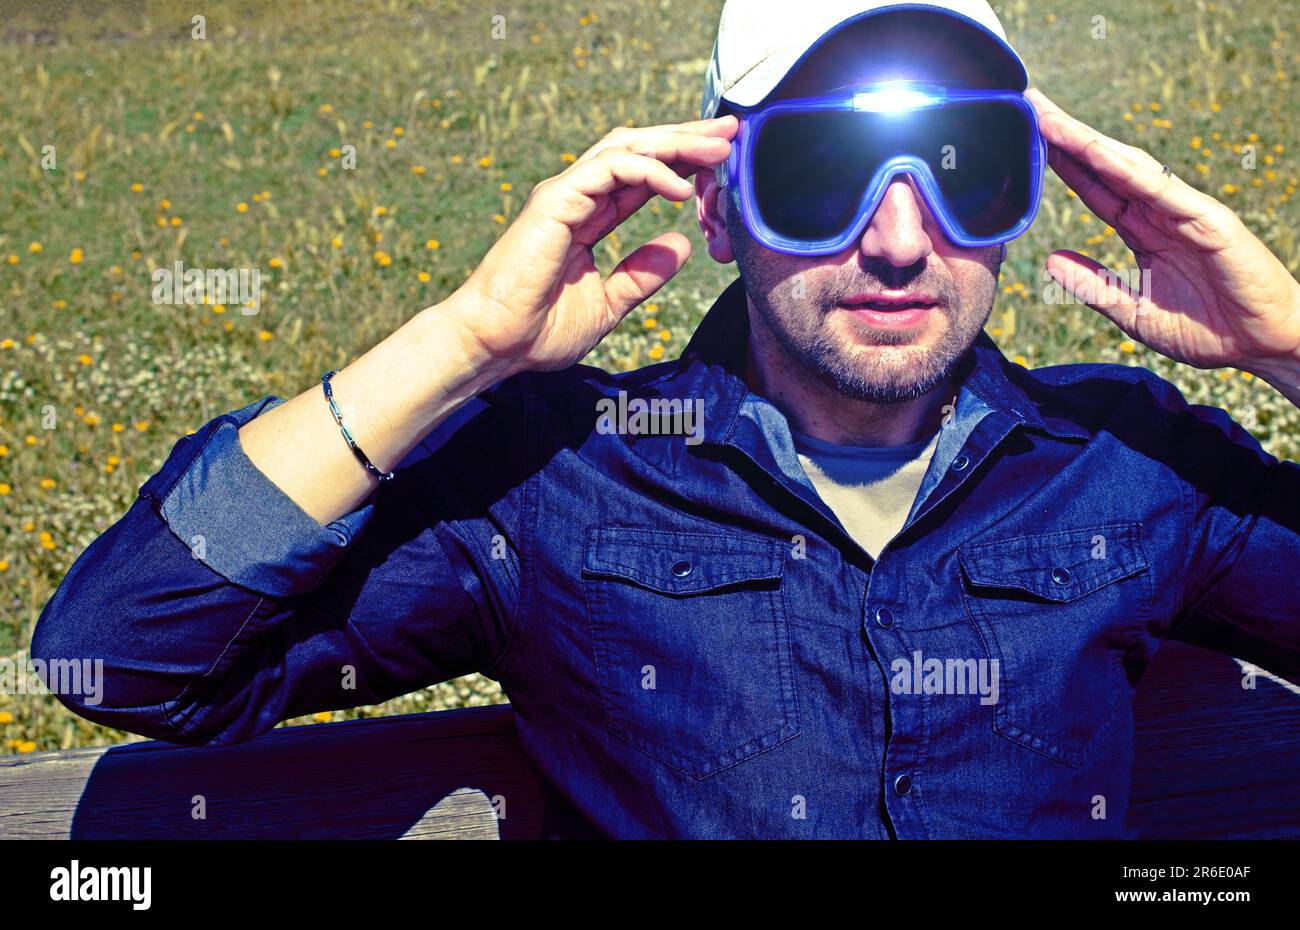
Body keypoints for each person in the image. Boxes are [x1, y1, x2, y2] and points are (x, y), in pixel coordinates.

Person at [31, 0, 1300, 838]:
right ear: (715, 207)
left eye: (963, 170)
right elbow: (128, 654)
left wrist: (1288, 343)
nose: (904, 241)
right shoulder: (557, 481)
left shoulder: (1128, 464)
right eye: (817, 177)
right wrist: (463, 343)